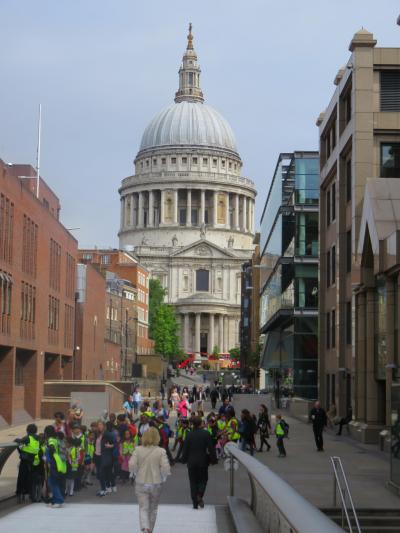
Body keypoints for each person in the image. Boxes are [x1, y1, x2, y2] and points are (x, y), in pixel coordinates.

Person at [129, 427, 171, 533]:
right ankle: (150, 529)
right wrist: (163, 476)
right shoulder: (161, 451)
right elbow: (165, 467)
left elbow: (132, 464)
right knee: (153, 508)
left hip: (141, 482)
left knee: (143, 507)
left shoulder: (138, 449)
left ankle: (145, 527)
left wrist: (134, 472)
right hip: (156, 483)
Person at [181, 416, 217, 509]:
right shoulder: (206, 434)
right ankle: (199, 495)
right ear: (201, 423)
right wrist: (214, 460)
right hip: (203, 461)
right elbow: (211, 448)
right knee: (203, 480)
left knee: (192, 482)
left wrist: (183, 459)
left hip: (191, 461)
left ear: (192, 424)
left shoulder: (189, 434)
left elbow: (185, 449)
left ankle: (195, 504)